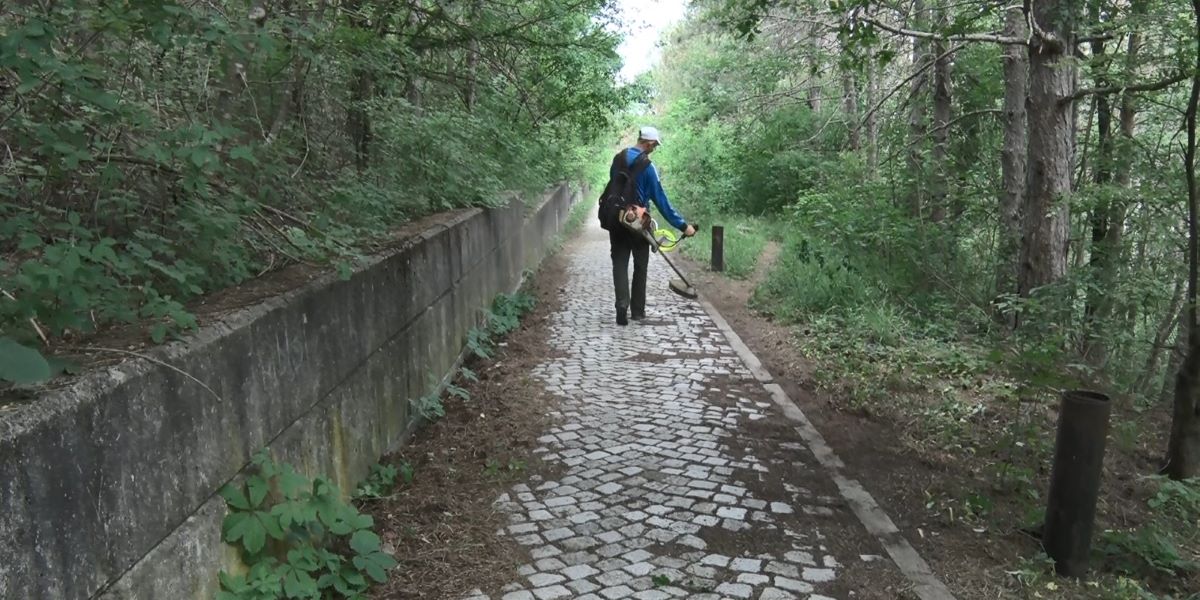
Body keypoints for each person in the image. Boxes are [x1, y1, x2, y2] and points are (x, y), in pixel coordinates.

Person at [608, 126, 696, 326]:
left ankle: (621, 305)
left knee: (619, 263)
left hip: (618, 219)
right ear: (648, 143)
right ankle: (637, 312)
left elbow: (613, 185)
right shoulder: (648, 167)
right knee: (640, 266)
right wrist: (683, 226)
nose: (654, 149)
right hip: (639, 222)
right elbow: (661, 200)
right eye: (654, 145)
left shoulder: (617, 159)